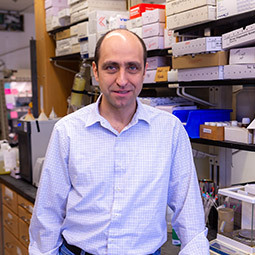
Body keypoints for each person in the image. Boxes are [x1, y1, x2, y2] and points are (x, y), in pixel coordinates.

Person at [29, 28, 210, 255]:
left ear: (145, 71)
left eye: (132, 67)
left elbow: (189, 215)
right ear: (95, 71)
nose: (122, 80)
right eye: (111, 67)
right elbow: (47, 213)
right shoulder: (68, 131)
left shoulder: (170, 131)